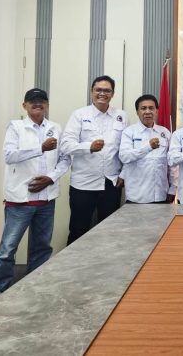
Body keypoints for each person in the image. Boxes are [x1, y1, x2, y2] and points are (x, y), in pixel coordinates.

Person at [0, 88, 70, 296]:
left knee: (42, 247)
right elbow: (9, 156)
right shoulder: (16, 127)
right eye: (32, 100)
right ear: (24, 105)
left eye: (42, 100)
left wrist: (51, 178)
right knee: (8, 248)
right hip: (20, 200)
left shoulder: (55, 128)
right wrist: (40, 148)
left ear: (47, 105)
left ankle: (35, 288)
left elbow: (65, 159)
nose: (37, 103)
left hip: (46, 199)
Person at [60, 75, 127, 245]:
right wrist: (88, 147)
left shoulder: (121, 116)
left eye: (107, 90)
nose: (102, 93)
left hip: (111, 183)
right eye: (98, 90)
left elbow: (126, 149)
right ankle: (74, 263)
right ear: (91, 92)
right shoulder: (79, 115)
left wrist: (124, 174)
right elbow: (65, 145)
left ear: (112, 94)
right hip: (83, 184)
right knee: (78, 230)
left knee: (109, 233)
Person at [120, 94, 174, 203]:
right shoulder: (129, 132)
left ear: (156, 111)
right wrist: (148, 147)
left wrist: (173, 188)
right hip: (137, 196)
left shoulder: (165, 132)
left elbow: (171, 163)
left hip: (161, 194)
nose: (147, 111)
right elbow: (124, 157)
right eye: (143, 108)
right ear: (137, 112)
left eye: (151, 108)